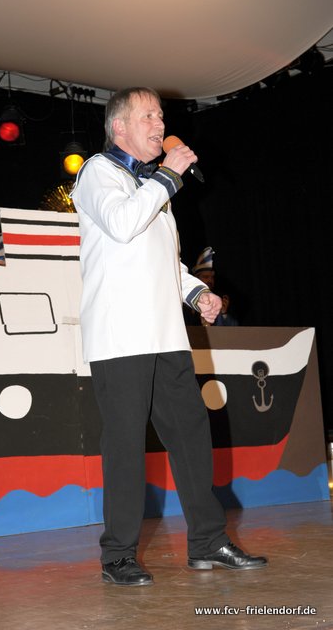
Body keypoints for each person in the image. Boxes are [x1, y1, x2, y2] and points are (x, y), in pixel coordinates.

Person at [71, 87, 267, 586]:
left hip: (166, 334)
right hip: (121, 338)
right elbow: (121, 225)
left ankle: (207, 542)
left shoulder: (153, 188)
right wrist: (168, 176)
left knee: (192, 437)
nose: (161, 125)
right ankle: (118, 555)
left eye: (161, 116)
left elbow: (164, 261)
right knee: (125, 445)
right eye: (149, 117)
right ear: (119, 127)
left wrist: (198, 293)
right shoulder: (97, 172)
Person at [185, 246, 239, 326]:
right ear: (197, 279)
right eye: (206, 277)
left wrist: (224, 313)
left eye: (212, 277)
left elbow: (234, 328)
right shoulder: (187, 297)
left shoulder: (220, 299)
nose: (210, 280)